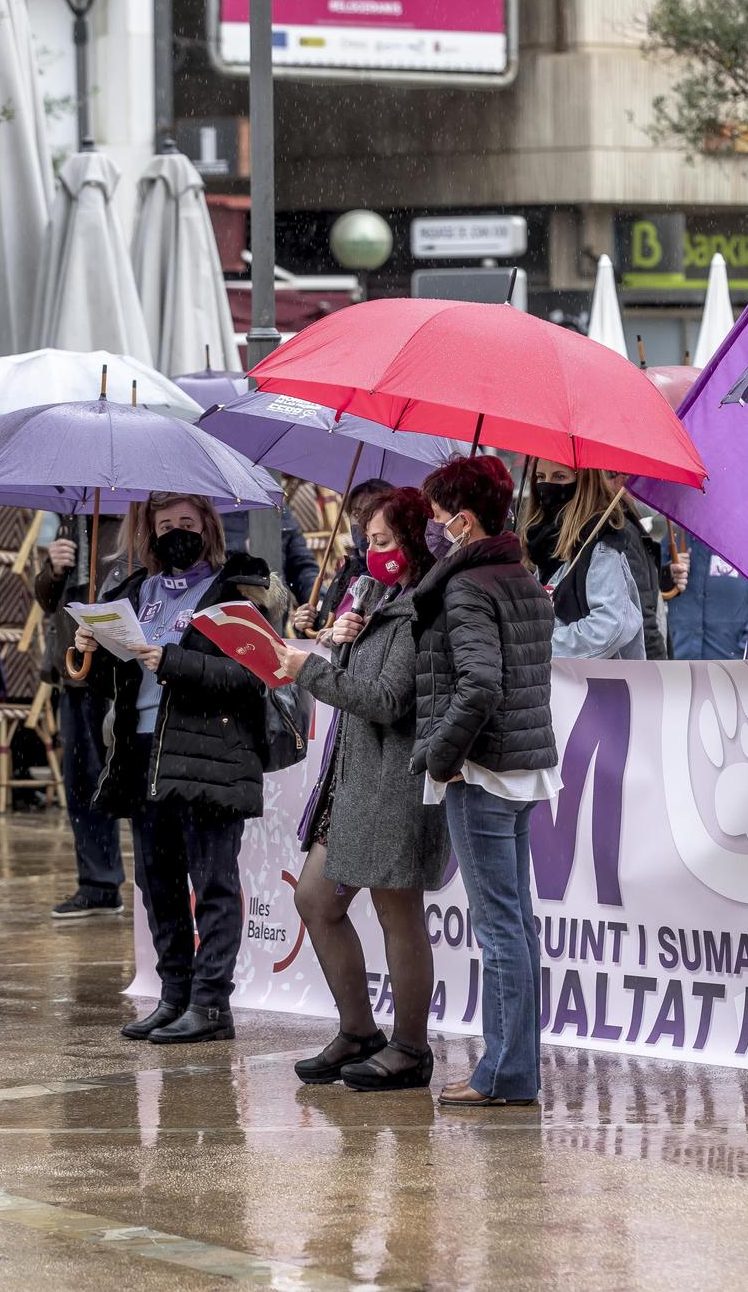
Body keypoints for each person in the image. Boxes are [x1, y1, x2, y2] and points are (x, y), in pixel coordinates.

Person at [77, 494, 271, 1045]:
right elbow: (107, 683)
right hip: (142, 754)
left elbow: (252, 676)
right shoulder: (134, 590)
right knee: (157, 884)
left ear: (207, 527)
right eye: (165, 525)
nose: (176, 533)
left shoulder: (237, 588)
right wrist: (93, 650)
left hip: (207, 754)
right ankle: (174, 995)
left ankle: (211, 1005)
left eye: (187, 523)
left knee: (212, 883)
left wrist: (174, 661)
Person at [273, 487, 447, 1091]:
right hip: (355, 780)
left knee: (399, 912)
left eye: (382, 541)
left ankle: (411, 1047)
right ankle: (358, 1029)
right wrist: (343, 642)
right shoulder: (381, 601)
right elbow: (362, 681)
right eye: (366, 542)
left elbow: (387, 700)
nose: (370, 554)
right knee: (317, 900)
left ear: (414, 543)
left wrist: (312, 670)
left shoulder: (422, 609)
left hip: (394, 781)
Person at [413, 456, 559, 1107]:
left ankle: (502, 1073)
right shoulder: (519, 575)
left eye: (438, 517)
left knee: (502, 927)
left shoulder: (467, 586)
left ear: (463, 520)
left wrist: (440, 757)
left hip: (482, 768)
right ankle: (514, 1070)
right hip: (521, 763)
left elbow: (479, 685)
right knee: (517, 924)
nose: (432, 528)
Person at [32, 509, 127, 919]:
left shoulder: (131, 519)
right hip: (73, 674)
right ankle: (98, 882)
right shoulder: (72, 518)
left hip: (116, 674)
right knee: (81, 782)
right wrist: (52, 569)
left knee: (124, 781)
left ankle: (147, 886)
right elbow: (47, 599)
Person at [520, 461, 653, 660]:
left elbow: (610, 625)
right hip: (549, 683)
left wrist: (542, 646)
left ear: (583, 482)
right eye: (540, 477)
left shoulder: (600, 544)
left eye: (559, 477)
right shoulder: (539, 542)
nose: (547, 485)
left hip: (595, 685)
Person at [300, 478, 395, 632]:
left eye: (371, 513)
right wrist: (309, 622)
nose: (362, 521)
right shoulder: (348, 568)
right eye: (356, 513)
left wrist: (338, 637)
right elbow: (326, 626)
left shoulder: (394, 573)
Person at [665, 533, 748, 660]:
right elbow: (651, 593)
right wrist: (668, 571)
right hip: (680, 662)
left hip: (730, 663)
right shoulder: (672, 540)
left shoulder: (747, 544)